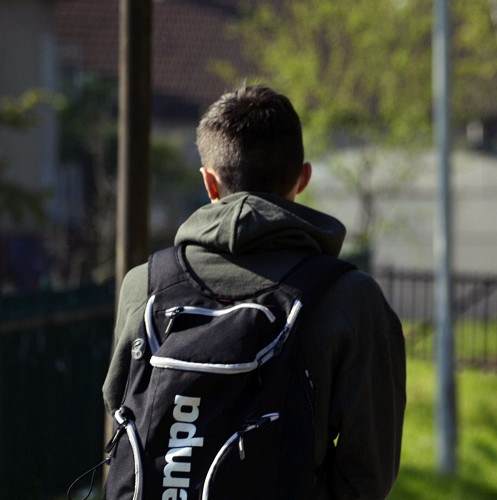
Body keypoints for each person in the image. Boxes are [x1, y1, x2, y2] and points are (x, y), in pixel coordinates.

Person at [102, 85, 406, 499]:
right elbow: (368, 473)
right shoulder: (349, 297)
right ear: (303, 178)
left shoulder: (146, 284)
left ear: (210, 183)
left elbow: (119, 406)